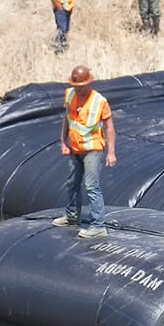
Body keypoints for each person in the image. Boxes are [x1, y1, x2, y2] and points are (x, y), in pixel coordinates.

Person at [53, 65, 117, 239]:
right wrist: (63, 141)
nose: (78, 89)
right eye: (75, 85)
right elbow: (67, 119)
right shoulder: (70, 94)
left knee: (91, 186)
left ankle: (98, 225)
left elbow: (109, 127)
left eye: (81, 86)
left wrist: (111, 152)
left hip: (92, 150)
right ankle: (72, 215)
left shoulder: (99, 101)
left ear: (89, 83)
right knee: (72, 182)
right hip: (75, 148)